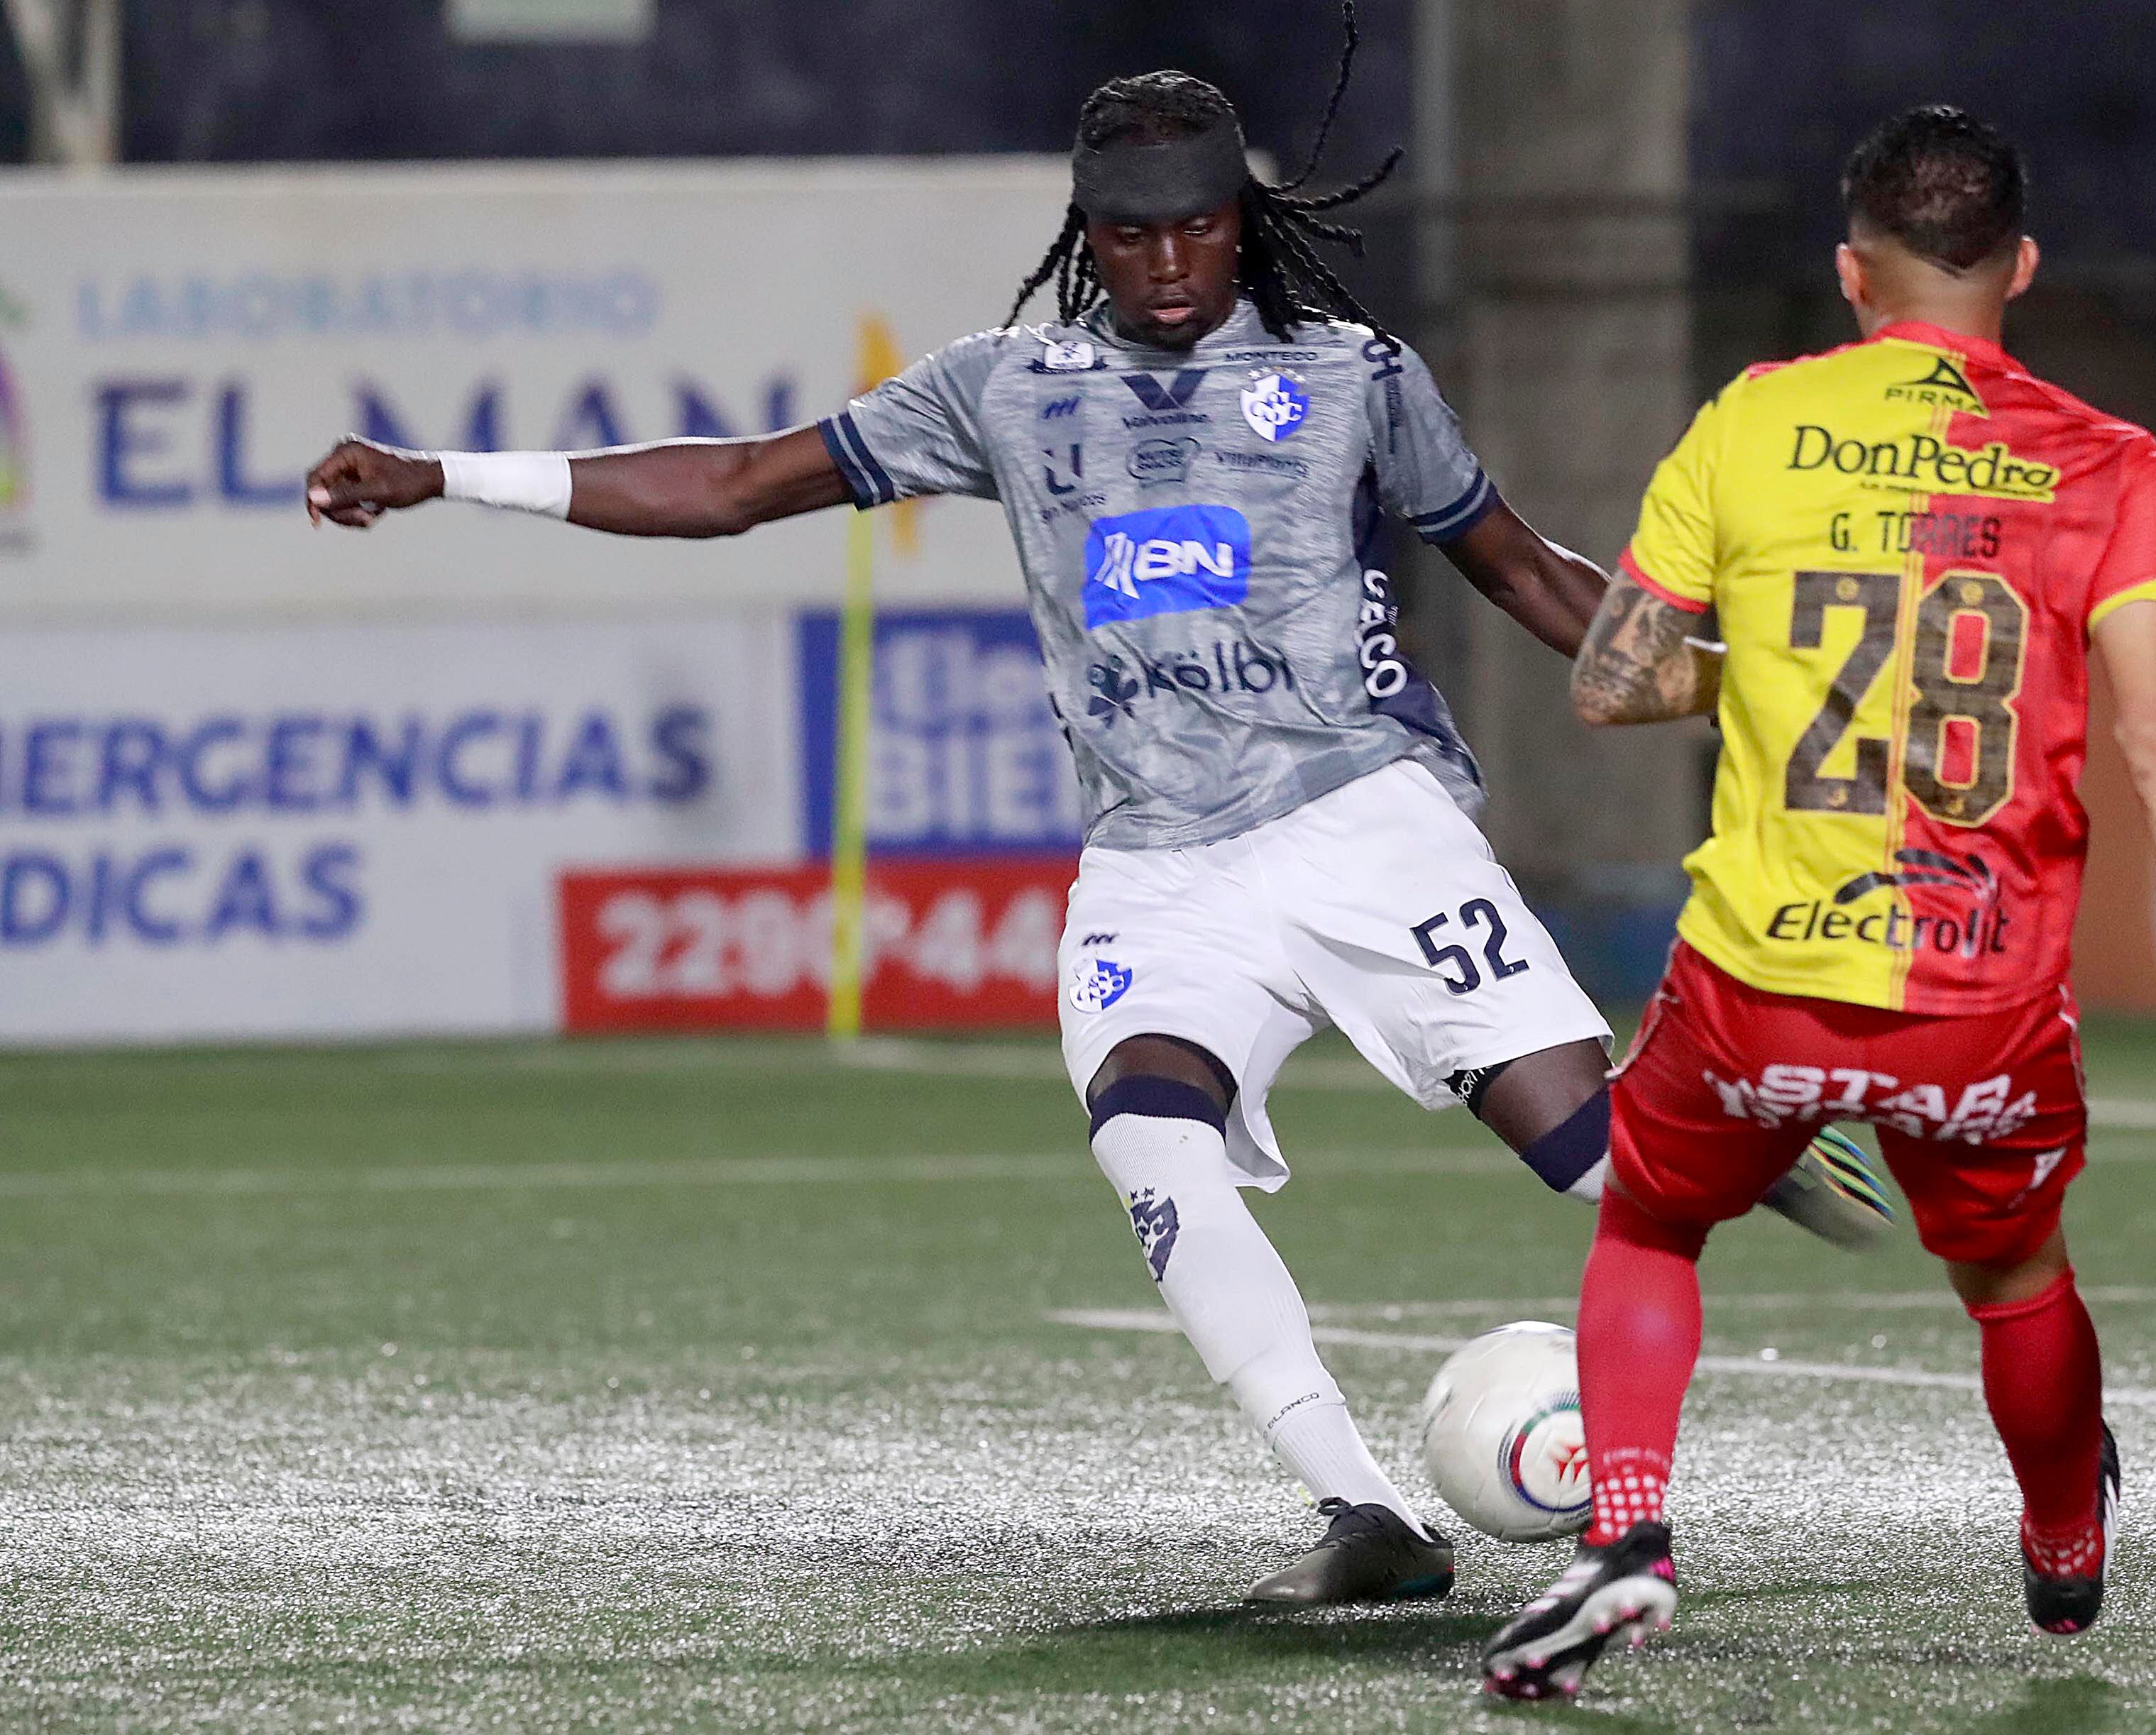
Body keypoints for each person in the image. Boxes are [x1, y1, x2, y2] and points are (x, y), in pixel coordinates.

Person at [301, 12, 1894, 1611]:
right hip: (1153, 872)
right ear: (1088, 234)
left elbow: (1533, 575)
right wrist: (445, 473)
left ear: (1242, 220)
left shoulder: (1352, 379)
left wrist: (1741, 684)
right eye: (1128, 232)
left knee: (1593, 1164)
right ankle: (1361, 1516)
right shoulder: (1006, 389)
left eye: (1195, 223)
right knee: (1149, 1134)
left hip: (1364, 822)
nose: (1163, 259)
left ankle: (1735, 1132)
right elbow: (729, 487)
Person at [1480, 106, 2156, 1702]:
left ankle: (1629, 1535)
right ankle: (2063, 1545)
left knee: (1650, 1219)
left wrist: (1772, 670)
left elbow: (1614, 683)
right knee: (2013, 1276)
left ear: (1851, 272)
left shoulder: (1754, 416)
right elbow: (2154, 734)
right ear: (2024, 268)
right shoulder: (2111, 467)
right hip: (1976, 1002)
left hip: (1756, 984)